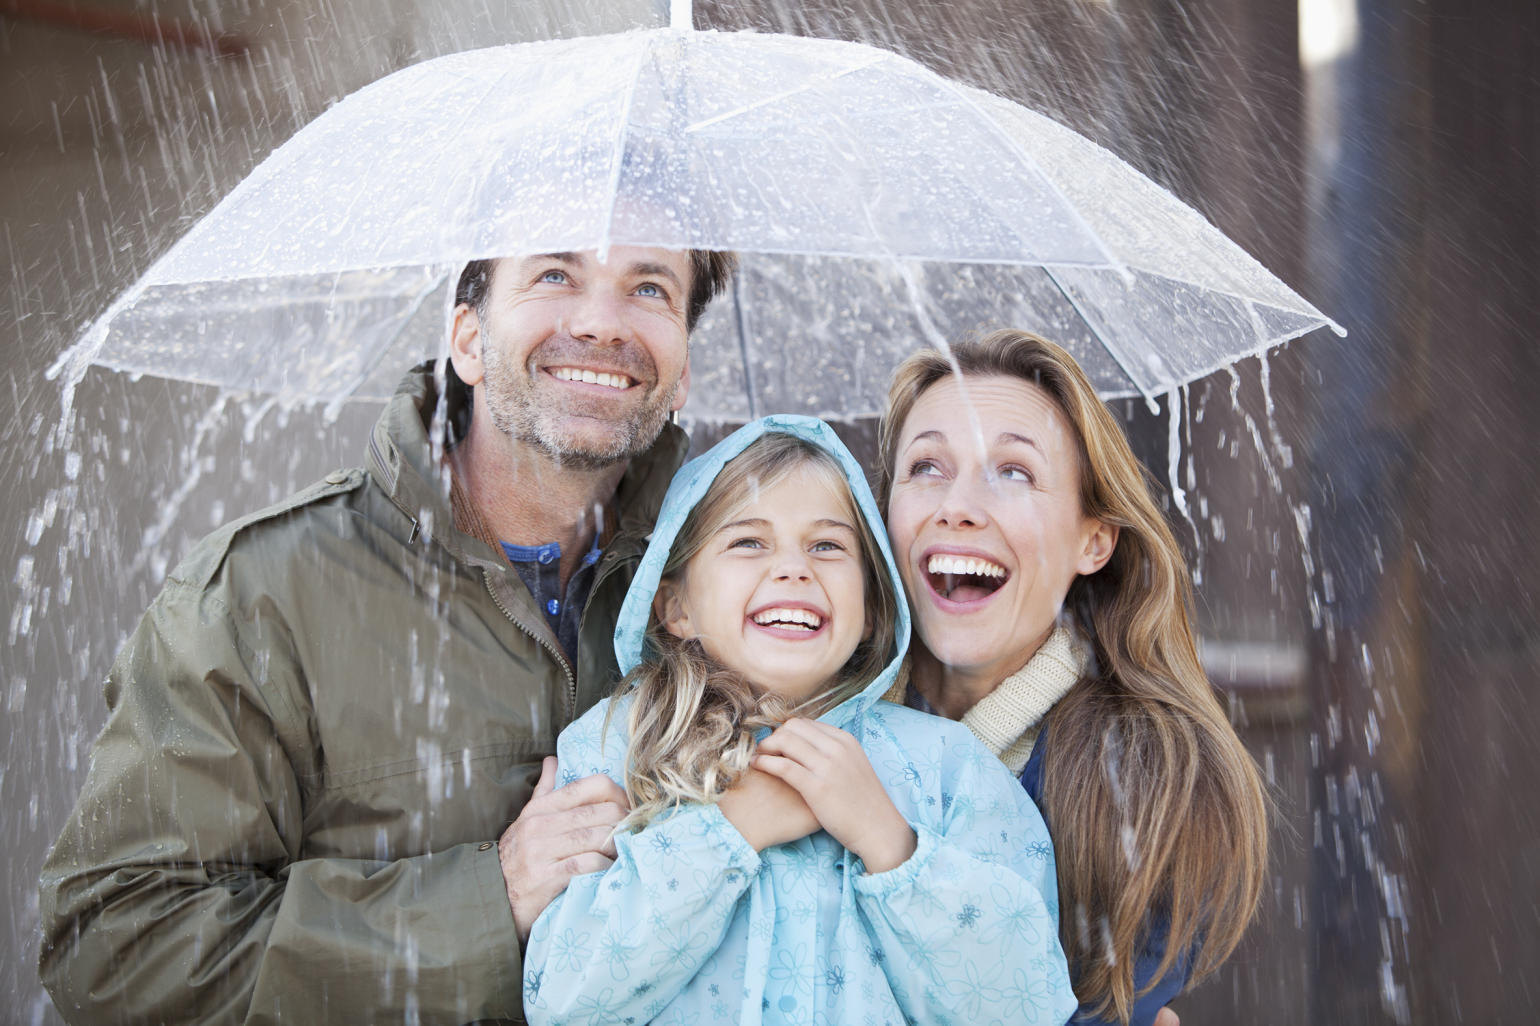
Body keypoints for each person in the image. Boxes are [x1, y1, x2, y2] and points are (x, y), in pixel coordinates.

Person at [37, 245, 734, 1023]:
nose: (604, 323)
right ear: (467, 340)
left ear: (683, 369)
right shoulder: (262, 592)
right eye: (554, 275)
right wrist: (485, 904)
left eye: (649, 288)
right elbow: (118, 946)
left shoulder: (738, 591)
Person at [522, 416, 1079, 1026]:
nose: (794, 569)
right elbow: (566, 1000)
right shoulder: (620, 750)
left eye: (827, 546)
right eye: (748, 542)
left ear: (872, 607)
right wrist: (729, 831)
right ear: (675, 604)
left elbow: (1028, 1003)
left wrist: (891, 846)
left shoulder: (948, 769)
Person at [878, 330, 1270, 1026]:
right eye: (928, 467)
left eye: (1015, 472)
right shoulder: (809, 726)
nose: (958, 505)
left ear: (1093, 541)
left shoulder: (1154, 784)